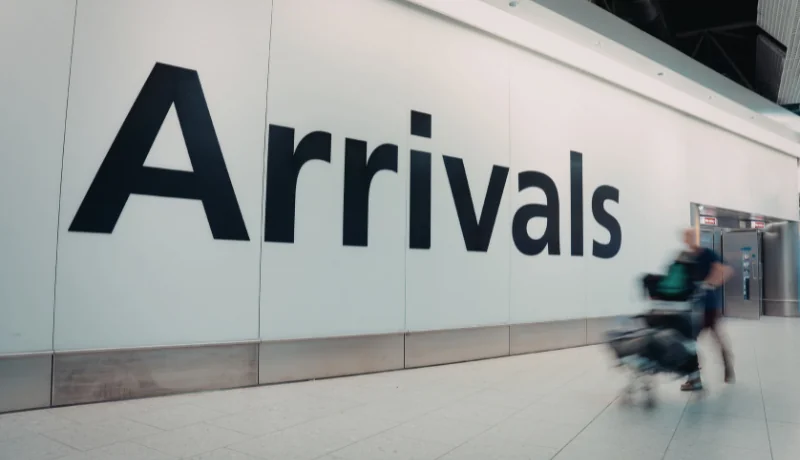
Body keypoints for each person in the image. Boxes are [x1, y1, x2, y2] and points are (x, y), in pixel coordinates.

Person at [679, 228, 734, 391]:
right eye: (685, 237)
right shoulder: (686, 257)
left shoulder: (708, 254)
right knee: (693, 340)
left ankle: (721, 367)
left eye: (689, 236)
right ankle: (697, 376)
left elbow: (727, 270)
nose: (687, 239)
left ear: (695, 238)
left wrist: (711, 283)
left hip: (708, 306)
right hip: (693, 307)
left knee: (705, 338)